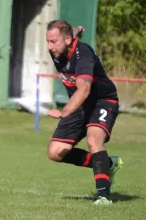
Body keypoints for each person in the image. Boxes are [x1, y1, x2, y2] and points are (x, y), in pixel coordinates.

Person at [45, 20, 122, 205]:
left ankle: (104, 196)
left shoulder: (84, 55)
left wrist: (65, 112)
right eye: (47, 41)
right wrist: (78, 29)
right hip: (80, 106)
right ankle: (106, 164)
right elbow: (73, 33)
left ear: (67, 40)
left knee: (94, 139)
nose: (49, 47)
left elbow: (84, 89)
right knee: (55, 152)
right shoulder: (61, 47)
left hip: (102, 101)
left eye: (53, 41)